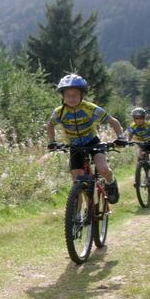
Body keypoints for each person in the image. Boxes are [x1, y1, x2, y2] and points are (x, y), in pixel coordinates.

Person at [47, 74, 127, 204]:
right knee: (76, 180)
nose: (71, 98)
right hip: (74, 146)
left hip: (92, 142)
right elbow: (50, 124)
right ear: (63, 96)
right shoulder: (59, 112)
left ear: (82, 95)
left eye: (75, 95)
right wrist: (52, 142)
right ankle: (80, 212)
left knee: (103, 168)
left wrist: (121, 138)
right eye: (68, 95)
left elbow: (113, 121)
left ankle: (110, 182)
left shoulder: (90, 108)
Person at [126, 107, 150, 187]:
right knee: (139, 160)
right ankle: (138, 179)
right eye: (136, 118)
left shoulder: (149, 125)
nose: (139, 120)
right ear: (134, 119)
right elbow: (129, 137)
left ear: (144, 117)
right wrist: (127, 142)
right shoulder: (132, 127)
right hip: (140, 144)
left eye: (141, 117)